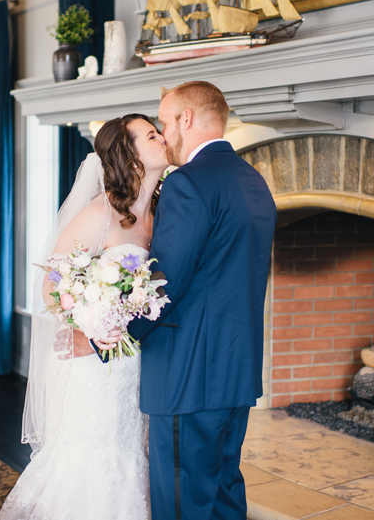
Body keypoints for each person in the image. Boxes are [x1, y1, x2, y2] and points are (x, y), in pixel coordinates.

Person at [96, 81, 277, 520]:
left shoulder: (189, 184)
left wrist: (115, 336)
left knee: (180, 504)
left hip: (188, 376)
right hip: (236, 373)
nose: (164, 132)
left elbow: (165, 284)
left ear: (187, 119)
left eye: (164, 122)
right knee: (223, 495)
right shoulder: (254, 181)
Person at [0, 113, 168, 520]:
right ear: (130, 155)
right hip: (93, 366)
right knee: (90, 459)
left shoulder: (161, 210)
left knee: (127, 455)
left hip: (135, 361)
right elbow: (52, 284)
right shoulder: (99, 213)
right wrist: (91, 331)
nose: (162, 137)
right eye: (151, 134)